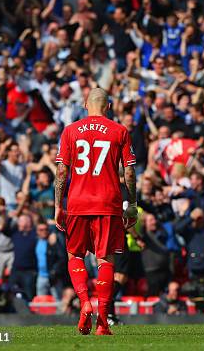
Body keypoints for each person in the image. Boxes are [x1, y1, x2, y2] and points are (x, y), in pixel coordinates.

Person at [54, 88, 137, 336]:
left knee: (75, 255)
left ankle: (84, 302)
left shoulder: (70, 130)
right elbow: (129, 172)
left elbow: (61, 173)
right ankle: (102, 320)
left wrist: (58, 205)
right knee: (105, 259)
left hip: (78, 203)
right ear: (108, 107)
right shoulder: (119, 131)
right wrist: (131, 203)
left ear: (84, 104)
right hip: (108, 203)